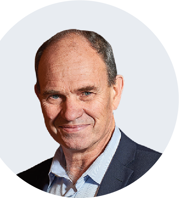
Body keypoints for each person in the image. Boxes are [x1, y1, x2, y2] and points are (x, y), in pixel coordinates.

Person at [17, 29, 161, 197]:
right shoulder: (22, 183)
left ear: (115, 92)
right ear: (39, 96)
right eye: (54, 96)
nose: (70, 114)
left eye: (86, 93)